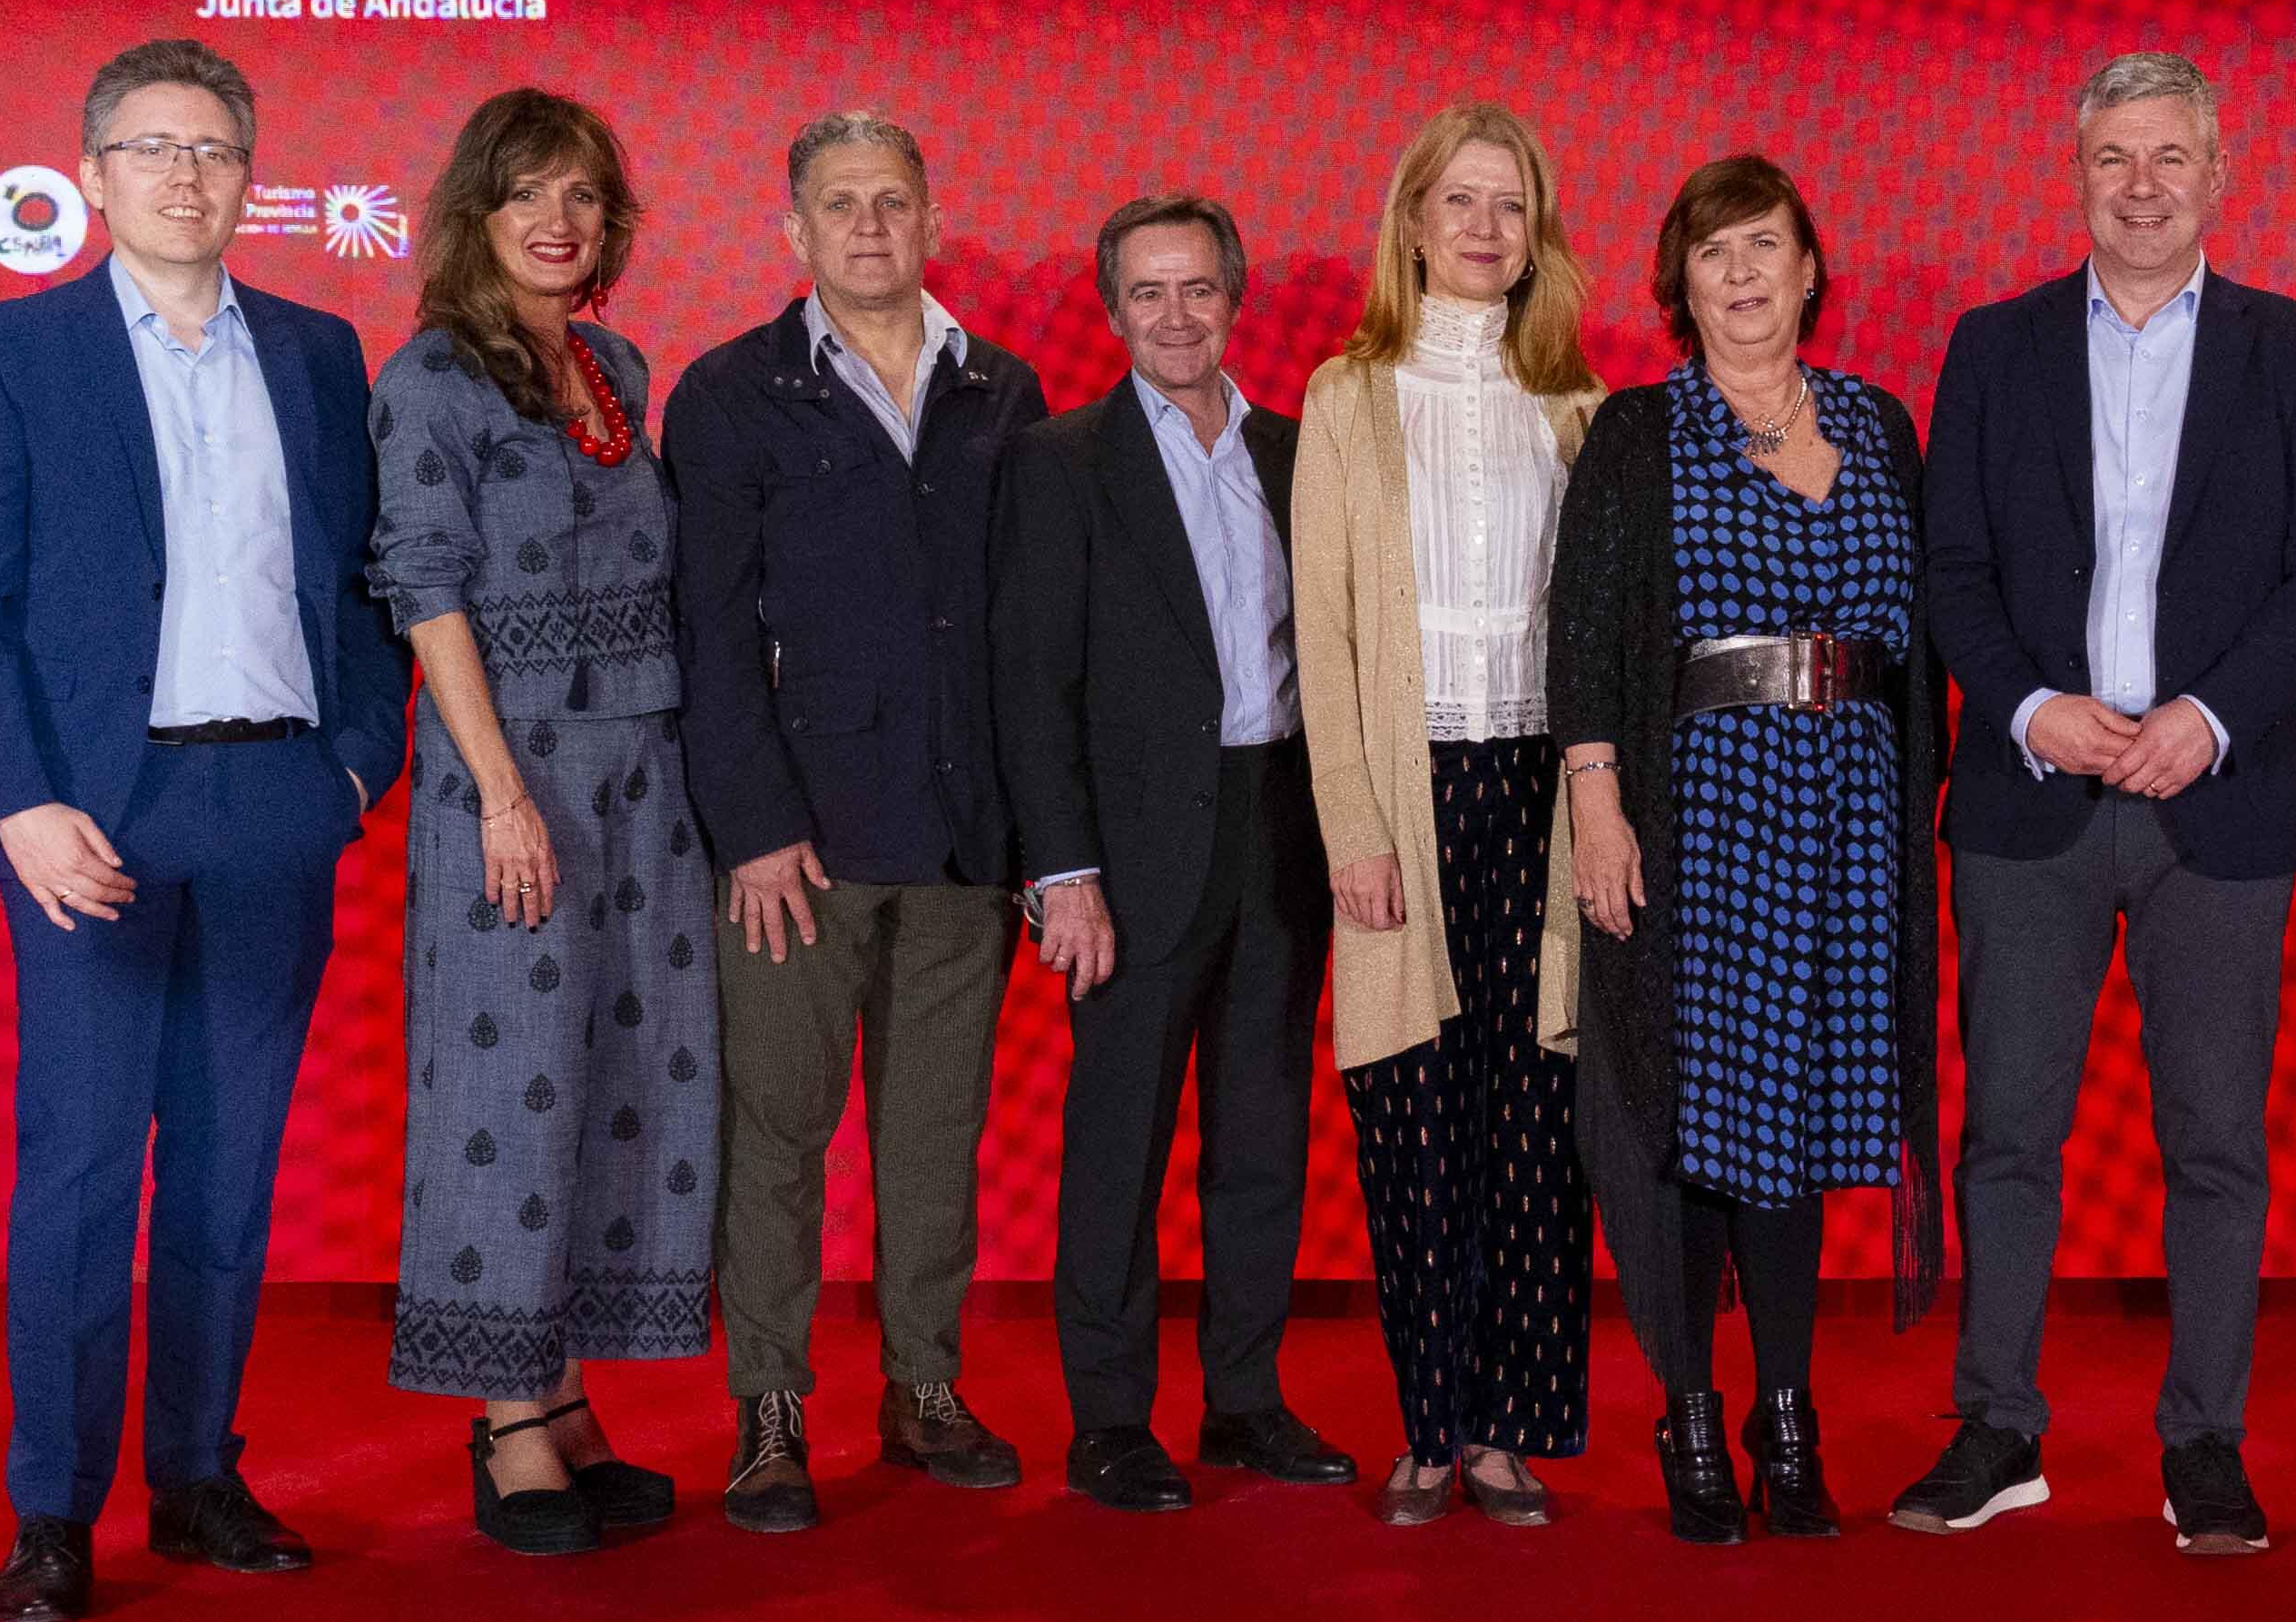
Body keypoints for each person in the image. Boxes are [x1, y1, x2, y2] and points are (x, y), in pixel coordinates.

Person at [0, 40, 412, 1622]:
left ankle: (197, 1476)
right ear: (92, 173)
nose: (184, 175)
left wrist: (352, 767)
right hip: (90, 817)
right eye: (150, 147)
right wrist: (16, 806)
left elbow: (361, 583)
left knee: (227, 1171)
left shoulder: (323, 351)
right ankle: (53, 1513)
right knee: (77, 1170)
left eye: (212, 149)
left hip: (274, 801)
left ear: (250, 178)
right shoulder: (13, 349)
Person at [1903, 51, 2296, 1553]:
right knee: (2009, 1135)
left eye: (2171, 155)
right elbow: (1951, 566)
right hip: (2034, 791)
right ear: (2079, 172)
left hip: (2211, 800)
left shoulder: (2292, 350)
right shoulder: (1994, 346)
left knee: (2218, 1141)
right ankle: (1998, 1428)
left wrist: (2214, 716)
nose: (2144, 184)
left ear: (2218, 174)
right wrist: (2035, 709)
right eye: (2116, 157)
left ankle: (2206, 1445)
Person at [663, 110, 1050, 1536]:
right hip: (798, 850)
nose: (872, 226)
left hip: (962, 837)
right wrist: (752, 829)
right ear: (796, 234)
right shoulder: (728, 393)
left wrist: (1033, 832)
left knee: (935, 1133)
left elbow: (1020, 627)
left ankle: (925, 1388)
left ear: (934, 219)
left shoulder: (1003, 387)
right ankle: (769, 1406)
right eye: (841, 205)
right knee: (776, 1132)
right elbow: (703, 632)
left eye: (894, 200)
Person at [1554, 156, 1946, 1541]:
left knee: (1804, 1119)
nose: (1740, 275)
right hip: (1701, 819)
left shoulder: (1882, 427)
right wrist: (1597, 803)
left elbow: (1923, 649)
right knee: (1708, 1125)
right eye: (1713, 252)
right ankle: (1695, 1415)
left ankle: (1792, 1411)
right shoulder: (1638, 434)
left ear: (1809, 270)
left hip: (1848, 815)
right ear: (1680, 281)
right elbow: (1589, 637)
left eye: (1765, 247)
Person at [365, 89, 723, 1557]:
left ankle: (568, 1397)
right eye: (526, 195)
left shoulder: (615, 363)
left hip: (648, 772)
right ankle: (506, 1417)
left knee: (629, 1072)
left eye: (580, 194)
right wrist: (501, 791)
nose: (558, 221)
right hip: (507, 776)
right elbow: (424, 587)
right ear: (475, 214)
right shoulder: (432, 381)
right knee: (505, 1088)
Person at [993, 195, 1354, 1510]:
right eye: (1148, 293)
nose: (1176, 316)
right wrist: (1063, 870)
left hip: (1282, 832)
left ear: (1234, 297)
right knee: (1118, 1141)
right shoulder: (1062, 461)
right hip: (1130, 859)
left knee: (1261, 1136)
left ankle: (1245, 1402)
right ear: (1113, 310)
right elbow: (1032, 689)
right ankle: (1109, 1420)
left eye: (1197, 289)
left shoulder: (1297, 451)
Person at [1290, 105, 1606, 1528]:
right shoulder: (1347, 394)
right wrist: (1352, 826)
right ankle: (1424, 1425)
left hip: (1546, 798)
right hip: (1407, 799)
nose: (1486, 229)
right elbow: (1327, 631)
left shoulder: (1579, 406)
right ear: (1411, 220)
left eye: (1510, 205)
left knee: (1536, 1116)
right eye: (1460, 202)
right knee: (1413, 1114)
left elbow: (1597, 637)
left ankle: (1502, 1431)